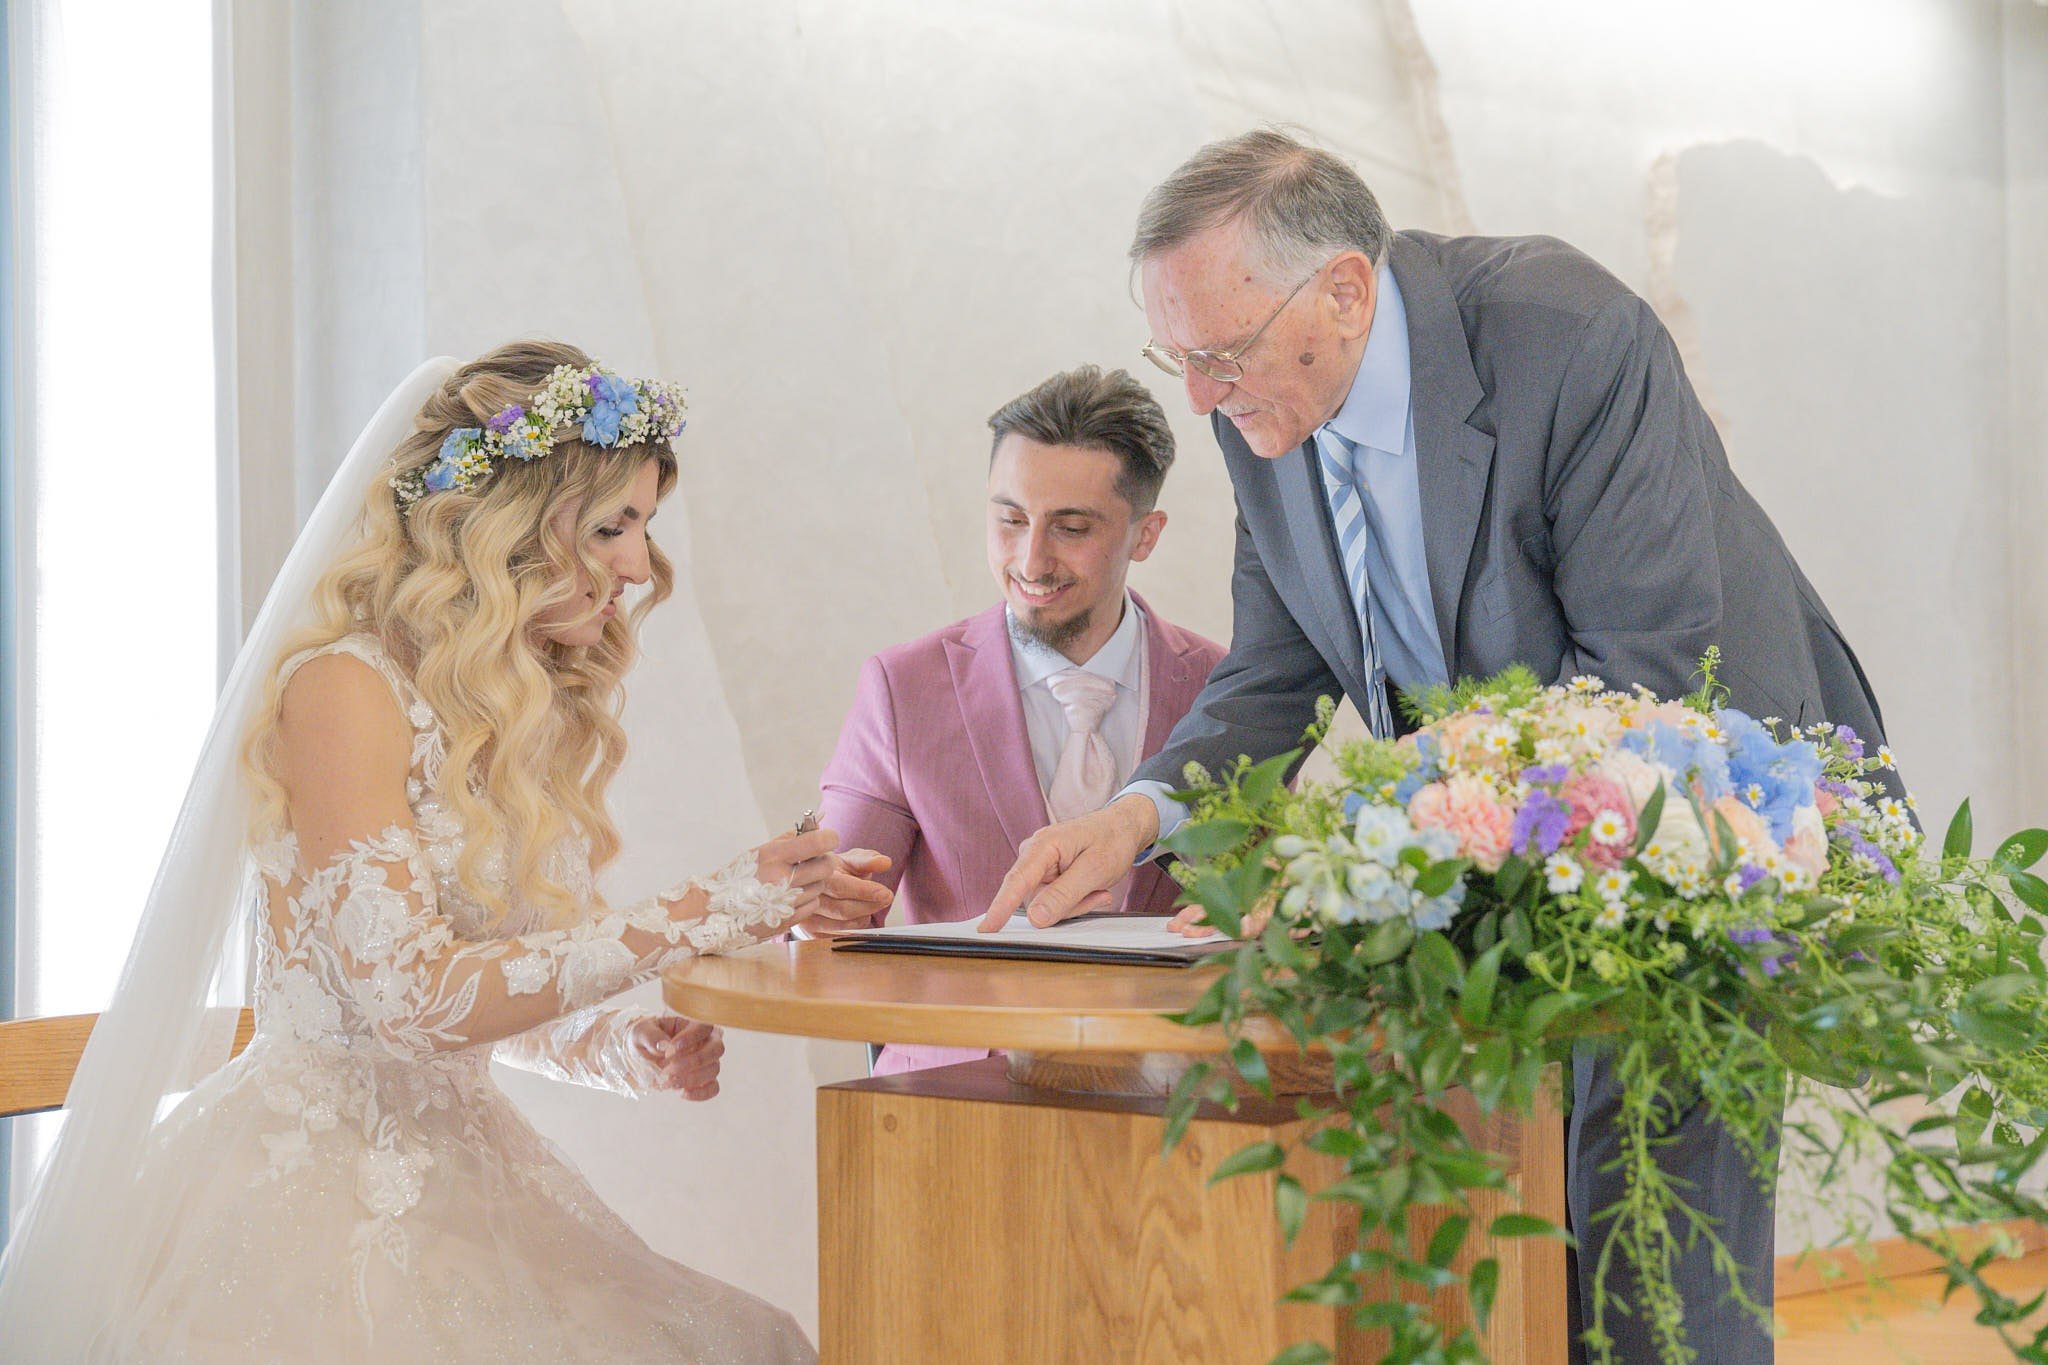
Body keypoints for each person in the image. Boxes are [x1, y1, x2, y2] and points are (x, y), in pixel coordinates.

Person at [983, 130, 1894, 1363]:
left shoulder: (1565, 339)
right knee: (1496, 1230)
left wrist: (1386, 861)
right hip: (1492, 830)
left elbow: (1639, 681)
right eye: (1176, 356)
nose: (1196, 395)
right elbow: (1275, 668)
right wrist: (1136, 814)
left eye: (1217, 355)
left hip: (1697, 812)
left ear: (1344, 290)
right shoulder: (1260, 397)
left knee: (1648, 1245)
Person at [0, 341, 891, 1361]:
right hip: (310, 1198)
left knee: (747, 1342)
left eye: (643, 527)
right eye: (613, 526)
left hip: (462, 1167)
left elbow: (487, 997)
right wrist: (712, 905)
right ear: (502, 522)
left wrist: (612, 1050)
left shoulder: (506, 706)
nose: (639, 567)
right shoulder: (343, 689)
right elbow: (408, 1000)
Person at [819, 364, 1223, 1075]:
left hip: (1180, 1096)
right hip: (950, 1098)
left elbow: (1266, 903)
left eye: (1071, 527)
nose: (1030, 559)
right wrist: (811, 907)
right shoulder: (901, 687)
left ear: (1146, 533)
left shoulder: (1224, 691)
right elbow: (836, 925)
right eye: (1009, 519)